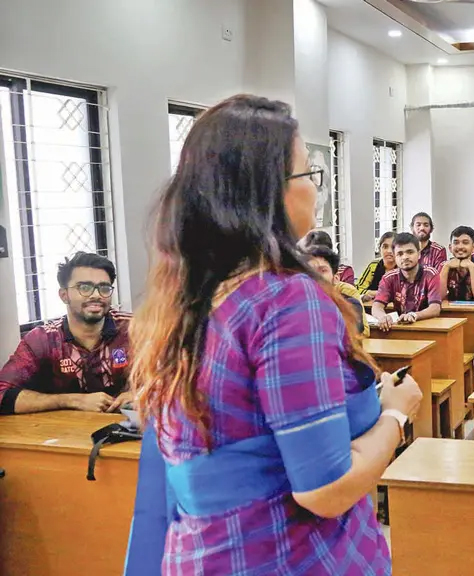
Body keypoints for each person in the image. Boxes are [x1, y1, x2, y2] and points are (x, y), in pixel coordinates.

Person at [126, 95, 419, 573]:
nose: (316, 189)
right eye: (308, 173)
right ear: (267, 190)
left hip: (206, 551)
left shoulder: (188, 295)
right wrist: (396, 416)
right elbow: (326, 489)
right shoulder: (285, 300)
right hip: (282, 555)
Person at [0, 252, 132, 415]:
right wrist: (72, 400)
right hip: (61, 435)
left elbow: (172, 379)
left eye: (104, 288)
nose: (96, 295)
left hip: (132, 431)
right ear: (64, 295)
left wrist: (142, 394)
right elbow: (2, 394)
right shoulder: (43, 339)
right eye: (85, 287)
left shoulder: (135, 329)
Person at [372, 232, 443, 331]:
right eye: (400, 254)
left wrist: (414, 315)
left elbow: (435, 308)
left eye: (410, 252)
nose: (405, 257)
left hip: (428, 328)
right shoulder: (388, 278)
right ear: (395, 257)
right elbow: (376, 306)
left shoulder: (431, 274)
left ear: (419, 254)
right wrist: (382, 316)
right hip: (402, 328)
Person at [304, 243, 369, 336]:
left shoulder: (350, 305)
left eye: (323, 270)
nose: (316, 276)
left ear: (336, 278)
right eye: (310, 271)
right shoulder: (298, 306)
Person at [439, 226, 474, 302]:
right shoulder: (443, 265)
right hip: (451, 312)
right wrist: (446, 267)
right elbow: (438, 297)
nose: (460, 247)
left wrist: (472, 267)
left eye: (465, 243)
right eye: (456, 243)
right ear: (450, 248)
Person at [355, 231, 396, 302]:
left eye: (393, 247)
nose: (389, 251)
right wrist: (378, 293)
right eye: (385, 247)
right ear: (380, 249)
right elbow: (358, 289)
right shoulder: (374, 266)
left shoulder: (404, 268)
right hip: (372, 307)